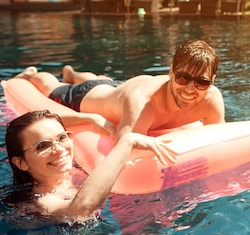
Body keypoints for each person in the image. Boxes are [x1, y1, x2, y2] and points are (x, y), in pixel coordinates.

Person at [14, 39, 225, 159]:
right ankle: (32, 74)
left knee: (100, 82)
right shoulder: (143, 102)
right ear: (170, 72)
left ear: (212, 81)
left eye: (201, 82)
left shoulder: (212, 100)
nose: (189, 89)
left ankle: (73, 74)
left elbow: (220, 140)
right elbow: (123, 148)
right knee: (53, 87)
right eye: (182, 78)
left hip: (115, 90)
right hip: (86, 97)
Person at [5, 110, 175, 221]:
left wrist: (89, 117)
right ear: (21, 162)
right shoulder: (39, 202)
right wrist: (127, 142)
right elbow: (80, 210)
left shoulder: (77, 172)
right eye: (43, 146)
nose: (58, 150)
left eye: (62, 138)